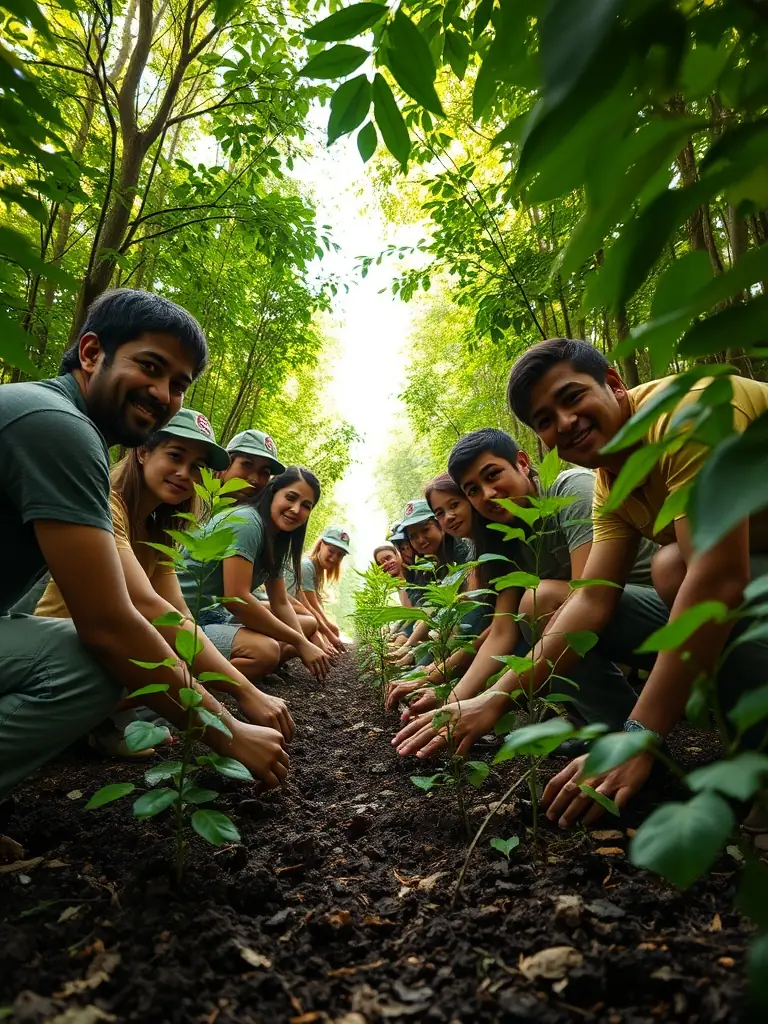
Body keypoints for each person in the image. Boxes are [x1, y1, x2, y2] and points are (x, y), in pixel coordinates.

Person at [0, 288, 288, 801]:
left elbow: (173, 612)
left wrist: (240, 695)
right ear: (91, 353)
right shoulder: (60, 428)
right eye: (150, 367)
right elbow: (113, 623)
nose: (162, 393)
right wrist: (230, 730)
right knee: (90, 663)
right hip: (58, 636)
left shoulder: (153, 519)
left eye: (178, 384)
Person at [501, 338, 768, 828]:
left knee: (678, 567)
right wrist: (489, 700)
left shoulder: (689, 412)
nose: (563, 423)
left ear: (614, 383)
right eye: (544, 420)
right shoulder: (612, 480)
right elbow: (593, 602)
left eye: (571, 397)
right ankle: (641, 758)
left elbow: (718, 577)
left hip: (737, 584)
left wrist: (640, 733)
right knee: (651, 574)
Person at [34, 408, 293, 756]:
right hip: (65, 650)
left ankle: (101, 723)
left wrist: (233, 688)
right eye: (174, 455)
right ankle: (82, 722)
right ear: (142, 451)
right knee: (157, 654)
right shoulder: (105, 504)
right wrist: (243, 699)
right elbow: (149, 605)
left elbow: (179, 613)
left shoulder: (160, 528)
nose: (184, 473)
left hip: (102, 646)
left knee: (179, 651)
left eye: (197, 466)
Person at [393, 427, 656, 749]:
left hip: (664, 615)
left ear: (522, 462)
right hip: (609, 630)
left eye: (493, 475)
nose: (487, 494)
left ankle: (630, 739)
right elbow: (502, 631)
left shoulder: (571, 489)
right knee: (534, 607)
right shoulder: (504, 540)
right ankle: (610, 734)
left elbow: (587, 600)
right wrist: (454, 698)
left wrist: (493, 700)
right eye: (473, 490)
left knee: (539, 601)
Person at [177, 466, 331, 683]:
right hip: (184, 617)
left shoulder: (276, 540)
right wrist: (300, 642)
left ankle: (248, 671)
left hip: (214, 615)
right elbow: (237, 600)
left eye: (306, 505)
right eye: (290, 497)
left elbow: (280, 602)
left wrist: (300, 641)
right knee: (266, 651)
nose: (296, 509)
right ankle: (185, 683)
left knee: (304, 626)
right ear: (272, 492)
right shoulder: (248, 523)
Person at [296, 527, 350, 652]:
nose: (334, 558)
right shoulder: (306, 566)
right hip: (284, 614)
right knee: (313, 626)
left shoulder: (317, 568)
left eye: (340, 555)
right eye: (331, 551)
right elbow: (310, 607)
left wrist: (328, 633)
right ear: (320, 545)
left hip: (296, 615)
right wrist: (328, 633)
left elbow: (317, 605)